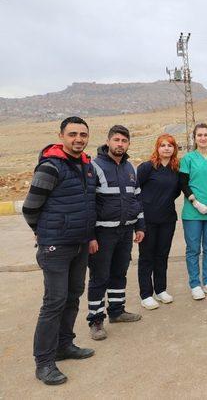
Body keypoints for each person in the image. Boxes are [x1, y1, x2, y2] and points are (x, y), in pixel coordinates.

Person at [23, 117, 96, 385]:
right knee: (53, 302)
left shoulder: (86, 165)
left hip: (79, 244)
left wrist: (87, 236)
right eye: (73, 134)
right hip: (55, 247)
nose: (78, 138)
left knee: (74, 295)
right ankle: (44, 362)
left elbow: (87, 205)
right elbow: (30, 208)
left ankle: (65, 345)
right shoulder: (51, 167)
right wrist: (45, 233)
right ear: (61, 136)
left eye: (83, 134)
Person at [87, 125, 144, 341]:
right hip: (103, 233)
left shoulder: (131, 168)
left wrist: (140, 226)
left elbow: (137, 199)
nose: (120, 144)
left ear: (128, 144)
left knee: (119, 272)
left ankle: (117, 311)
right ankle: (96, 320)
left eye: (124, 141)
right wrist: (90, 235)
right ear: (108, 141)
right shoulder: (95, 166)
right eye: (116, 140)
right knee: (99, 276)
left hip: (125, 231)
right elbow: (88, 203)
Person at [179, 123, 207, 300]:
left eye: (206, 135)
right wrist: (195, 202)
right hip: (193, 213)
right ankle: (195, 284)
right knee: (193, 249)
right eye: (200, 135)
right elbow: (183, 183)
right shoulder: (188, 159)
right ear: (195, 138)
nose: (203, 138)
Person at [136, 134, 181, 310]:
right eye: (163, 145)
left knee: (162, 255)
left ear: (174, 148)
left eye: (170, 145)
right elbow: (135, 191)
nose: (166, 148)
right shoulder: (147, 167)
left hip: (167, 219)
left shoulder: (175, 169)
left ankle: (161, 289)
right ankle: (146, 294)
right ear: (157, 148)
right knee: (147, 256)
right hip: (148, 220)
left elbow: (176, 192)